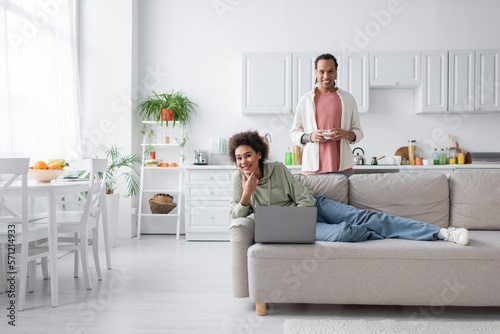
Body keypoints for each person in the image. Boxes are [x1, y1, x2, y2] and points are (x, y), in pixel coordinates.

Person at [229, 130, 469, 246]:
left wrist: (300, 216)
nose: (244, 162)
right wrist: (247, 194)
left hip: (313, 206)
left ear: (259, 154)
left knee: (366, 216)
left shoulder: (277, 168)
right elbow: (235, 215)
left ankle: (442, 232)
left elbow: (302, 196)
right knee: (342, 233)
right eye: (239, 158)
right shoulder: (237, 181)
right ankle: (378, 231)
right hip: (290, 227)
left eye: (248, 155)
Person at [290, 53, 363, 177]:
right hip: (313, 169)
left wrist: (345, 134)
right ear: (315, 72)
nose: (326, 76)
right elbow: (294, 133)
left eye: (330, 71)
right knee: (312, 197)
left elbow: (358, 132)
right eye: (321, 71)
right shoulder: (305, 100)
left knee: (342, 198)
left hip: (342, 168)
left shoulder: (348, 99)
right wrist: (311, 136)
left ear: (336, 72)